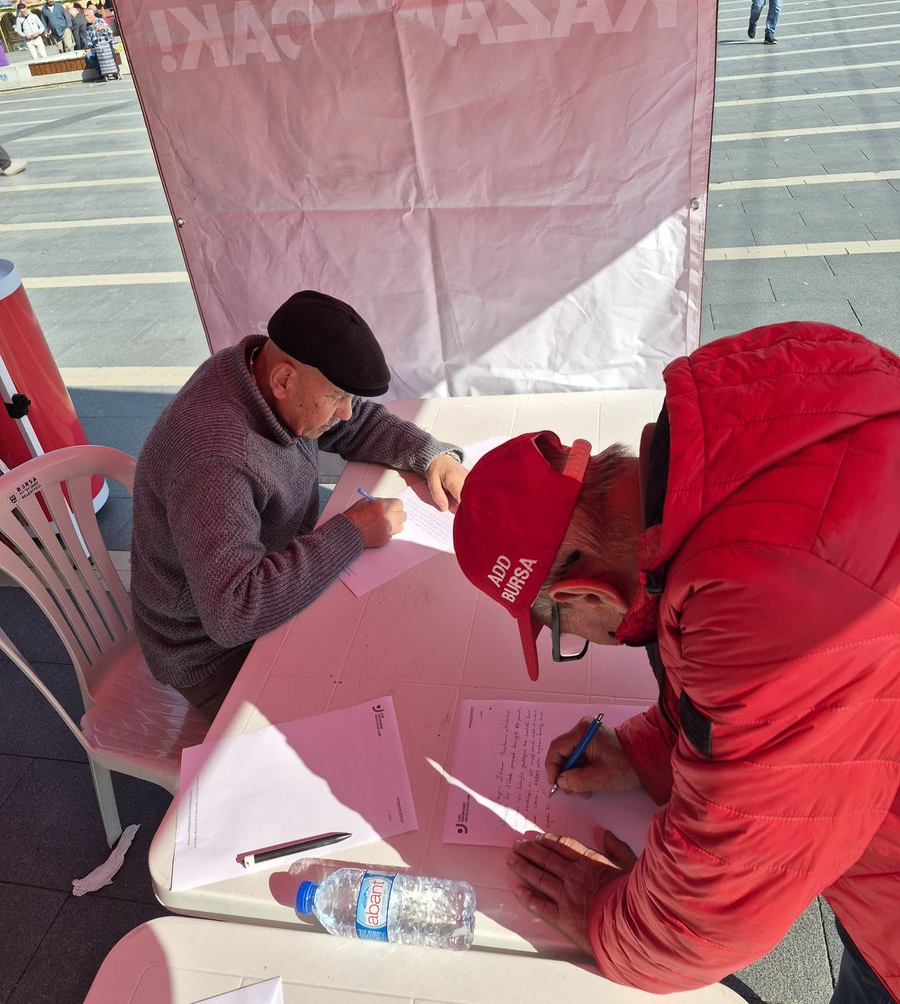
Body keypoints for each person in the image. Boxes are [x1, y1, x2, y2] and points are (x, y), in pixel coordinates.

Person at [452, 322, 900, 1004]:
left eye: (565, 630)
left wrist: (603, 914)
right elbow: (763, 703)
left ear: (583, 592)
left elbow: (713, 913)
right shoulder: (743, 408)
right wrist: (646, 749)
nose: (584, 639)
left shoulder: (757, 601)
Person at [130, 289, 468, 722]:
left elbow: (355, 423)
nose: (347, 413)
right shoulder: (217, 457)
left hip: (264, 574)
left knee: (402, 629)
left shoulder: (256, 372)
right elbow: (234, 612)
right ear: (283, 380)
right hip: (211, 654)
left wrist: (431, 455)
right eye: (336, 398)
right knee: (375, 701)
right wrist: (351, 532)